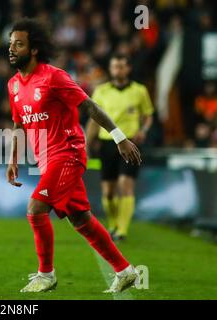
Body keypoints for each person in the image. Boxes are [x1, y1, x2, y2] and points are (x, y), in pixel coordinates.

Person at [6, 18, 142, 293]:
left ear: (33, 50)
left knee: (35, 210)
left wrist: (119, 137)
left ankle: (46, 275)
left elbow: (90, 106)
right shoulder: (14, 86)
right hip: (46, 161)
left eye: (18, 44)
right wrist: (13, 159)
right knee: (81, 220)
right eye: (10, 44)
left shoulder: (54, 77)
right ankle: (125, 270)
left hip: (67, 153)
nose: (11, 49)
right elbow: (19, 125)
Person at [87, 54, 154, 241]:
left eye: (121, 66)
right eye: (115, 66)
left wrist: (144, 130)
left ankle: (122, 230)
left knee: (126, 184)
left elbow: (148, 115)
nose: (118, 70)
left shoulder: (139, 91)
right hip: (107, 143)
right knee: (108, 191)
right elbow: (94, 119)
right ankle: (114, 223)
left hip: (130, 142)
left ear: (128, 69)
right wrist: (86, 142)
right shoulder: (101, 91)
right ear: (110, 69)